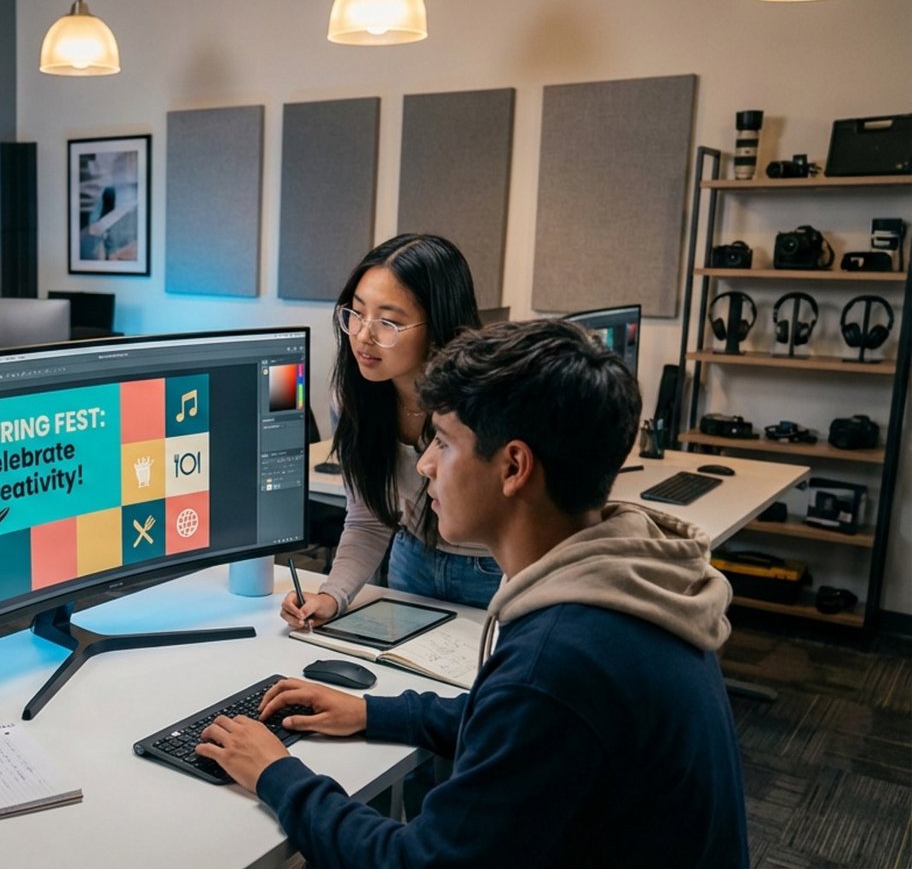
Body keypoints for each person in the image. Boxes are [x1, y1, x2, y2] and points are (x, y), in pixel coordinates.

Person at [201, 319, 747, 867]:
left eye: (442, 441)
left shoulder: (557, 659)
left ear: (513, 467)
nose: (425, 464)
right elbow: (510, 724)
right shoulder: (634, 582)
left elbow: (417, 861)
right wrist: (372, 712)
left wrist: (277, 774)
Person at [282, 234, 500, 633]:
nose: (363, 336)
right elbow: (368, 518)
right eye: (357, 313)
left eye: (388, 322)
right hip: (410, 562)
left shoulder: (485, 405)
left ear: (438, 326)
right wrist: (331, 596)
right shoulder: (354, 395)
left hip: (493, 575)